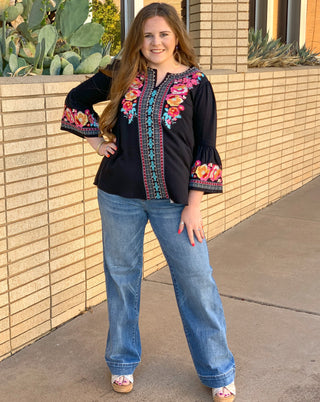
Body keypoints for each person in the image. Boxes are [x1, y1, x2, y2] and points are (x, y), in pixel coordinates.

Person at [61, 3, 236, 401]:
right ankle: (122, 363)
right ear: (138, 39)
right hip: (118, 196)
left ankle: (218, 369)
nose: (155, 42)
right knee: (122, 279)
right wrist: (95, 141)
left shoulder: (196, 83)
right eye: (147, 35)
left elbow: (205, 146)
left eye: (163, 34)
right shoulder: (123, 73)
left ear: (176, 36)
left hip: (175, 204)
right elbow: (76, 100)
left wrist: (194, 204)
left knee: (197, 281)